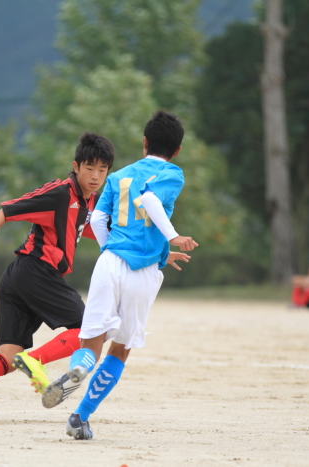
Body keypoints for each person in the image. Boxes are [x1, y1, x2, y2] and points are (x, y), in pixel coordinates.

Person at [0, 133, 115, 422]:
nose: (95, 176)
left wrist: (154, 253)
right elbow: (9, 209)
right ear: (76, 166)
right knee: (90, 329)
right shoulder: (59, 193)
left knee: (7, 358)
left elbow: (102, 233)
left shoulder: (89, 203)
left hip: (18, 279)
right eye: (90, 168)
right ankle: (35, 360)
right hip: (35, 271)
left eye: (102, 170)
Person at [41, 110, 197, 440]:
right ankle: (79, 417)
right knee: (121, 348)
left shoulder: (118, 176)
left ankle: (79, 367)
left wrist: (114, 250)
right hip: (143, 272)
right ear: (177, 150)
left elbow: (97, 221)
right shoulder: (173, 173)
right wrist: (170, 240)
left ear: (144, 142)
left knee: (90, 340)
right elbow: (151, 199)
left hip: (110, 261)